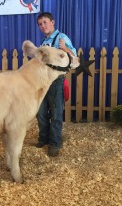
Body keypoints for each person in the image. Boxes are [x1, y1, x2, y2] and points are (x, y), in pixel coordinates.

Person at [35, 12, 77, 157]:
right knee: (41, 113)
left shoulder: (61, 38)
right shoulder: (43, 42)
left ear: (52, 22)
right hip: (42, 81)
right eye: (40, 24)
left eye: (45, 22)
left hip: (56, 81)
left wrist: (65, 48)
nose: (43, 26)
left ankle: (55, 143)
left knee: (56, 113)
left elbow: (74, 57)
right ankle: (43, 139)